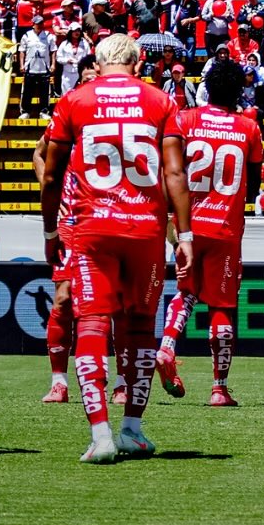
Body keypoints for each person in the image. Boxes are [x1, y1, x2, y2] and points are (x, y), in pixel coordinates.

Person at [40, 34, 193, 463]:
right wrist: (185, 236)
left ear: (96, 60)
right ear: (138, 61)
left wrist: (51, 232)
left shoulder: (74, 100)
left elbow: (51, 177)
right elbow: (176, 174)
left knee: (90, 325)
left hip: (92, 229)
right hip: (144, 231)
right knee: (142, 328)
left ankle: (101, 434)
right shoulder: (161, 101)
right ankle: (133, 429)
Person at [155, 58, 263, 406]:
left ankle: (168, 346)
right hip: (226, 228)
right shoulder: (249, 128)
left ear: (207, 88)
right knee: (222, 305)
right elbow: (255, 186)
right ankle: (219, 388)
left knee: (186, 290)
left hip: (187, 224)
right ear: (238, 91)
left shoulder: (185, 120)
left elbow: (168, 168)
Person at [31, 53, 98, 403]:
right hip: (70, 219)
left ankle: (114, 381)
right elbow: (38, 154)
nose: (88, 84)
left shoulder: (110, 118)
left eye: (93, 78)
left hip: (104, 217)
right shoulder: (67, 116)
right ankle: (59, 381)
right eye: (83, 79)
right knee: (64, 297)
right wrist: (50, 188)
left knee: (108, 303)